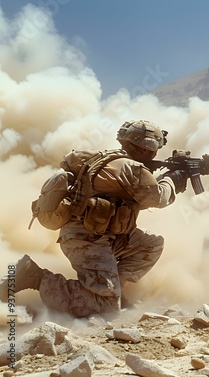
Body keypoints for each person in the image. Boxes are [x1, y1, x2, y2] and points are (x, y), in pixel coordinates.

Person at [0, 120, 188, 318]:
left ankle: (113, 288)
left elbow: (138, 198)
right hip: (86, 239)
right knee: (105, 309)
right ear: (148, 147)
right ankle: (34, 277)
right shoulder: (130, 168)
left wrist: (170, 178)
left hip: (104, 235)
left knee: (150, 244)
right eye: (154, 148)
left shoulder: (111, 160)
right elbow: (157, 198)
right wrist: (172, 179)